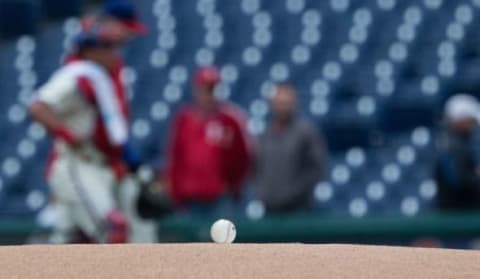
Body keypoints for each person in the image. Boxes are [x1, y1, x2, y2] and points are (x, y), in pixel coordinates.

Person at [29, 8, 151, 243]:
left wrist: (134, 165)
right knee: (111, 229)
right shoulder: (77, 75)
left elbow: (115, 133)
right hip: (78, 162)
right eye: (105, 46)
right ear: (89, 50)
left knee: (69, 240)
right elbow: (37, 107)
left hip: (102, 165)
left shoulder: (106, 76)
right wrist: (68, 135)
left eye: (111, 46)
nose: (112, 52)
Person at [165, 66, 251, 217]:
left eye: (212, 88)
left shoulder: (229, 119)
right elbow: (175, 157)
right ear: (196, 89)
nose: (208, 94)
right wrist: (176, 192)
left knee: (223, 239)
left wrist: (233, 186)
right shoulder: (184, 119)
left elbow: (242, 157)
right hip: (189, 198)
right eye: (204, 88)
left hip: (220, 197)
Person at [254, 83, 327, 213]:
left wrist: (296, 192)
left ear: (294, 104)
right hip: (269, 208)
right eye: (280, 103)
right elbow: (256, 168)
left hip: (299, 209)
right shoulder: (265, 135)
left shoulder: (306, 132)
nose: (283, 108)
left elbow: (316, 167)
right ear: (272, 105)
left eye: (287, 103)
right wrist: (263, 193)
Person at [434, 94, 480, 210]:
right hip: (457, 212)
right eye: (470, 121)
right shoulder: (451, 146)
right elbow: (458, 181)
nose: (473, 125)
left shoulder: (459, 143)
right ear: (458, 120)